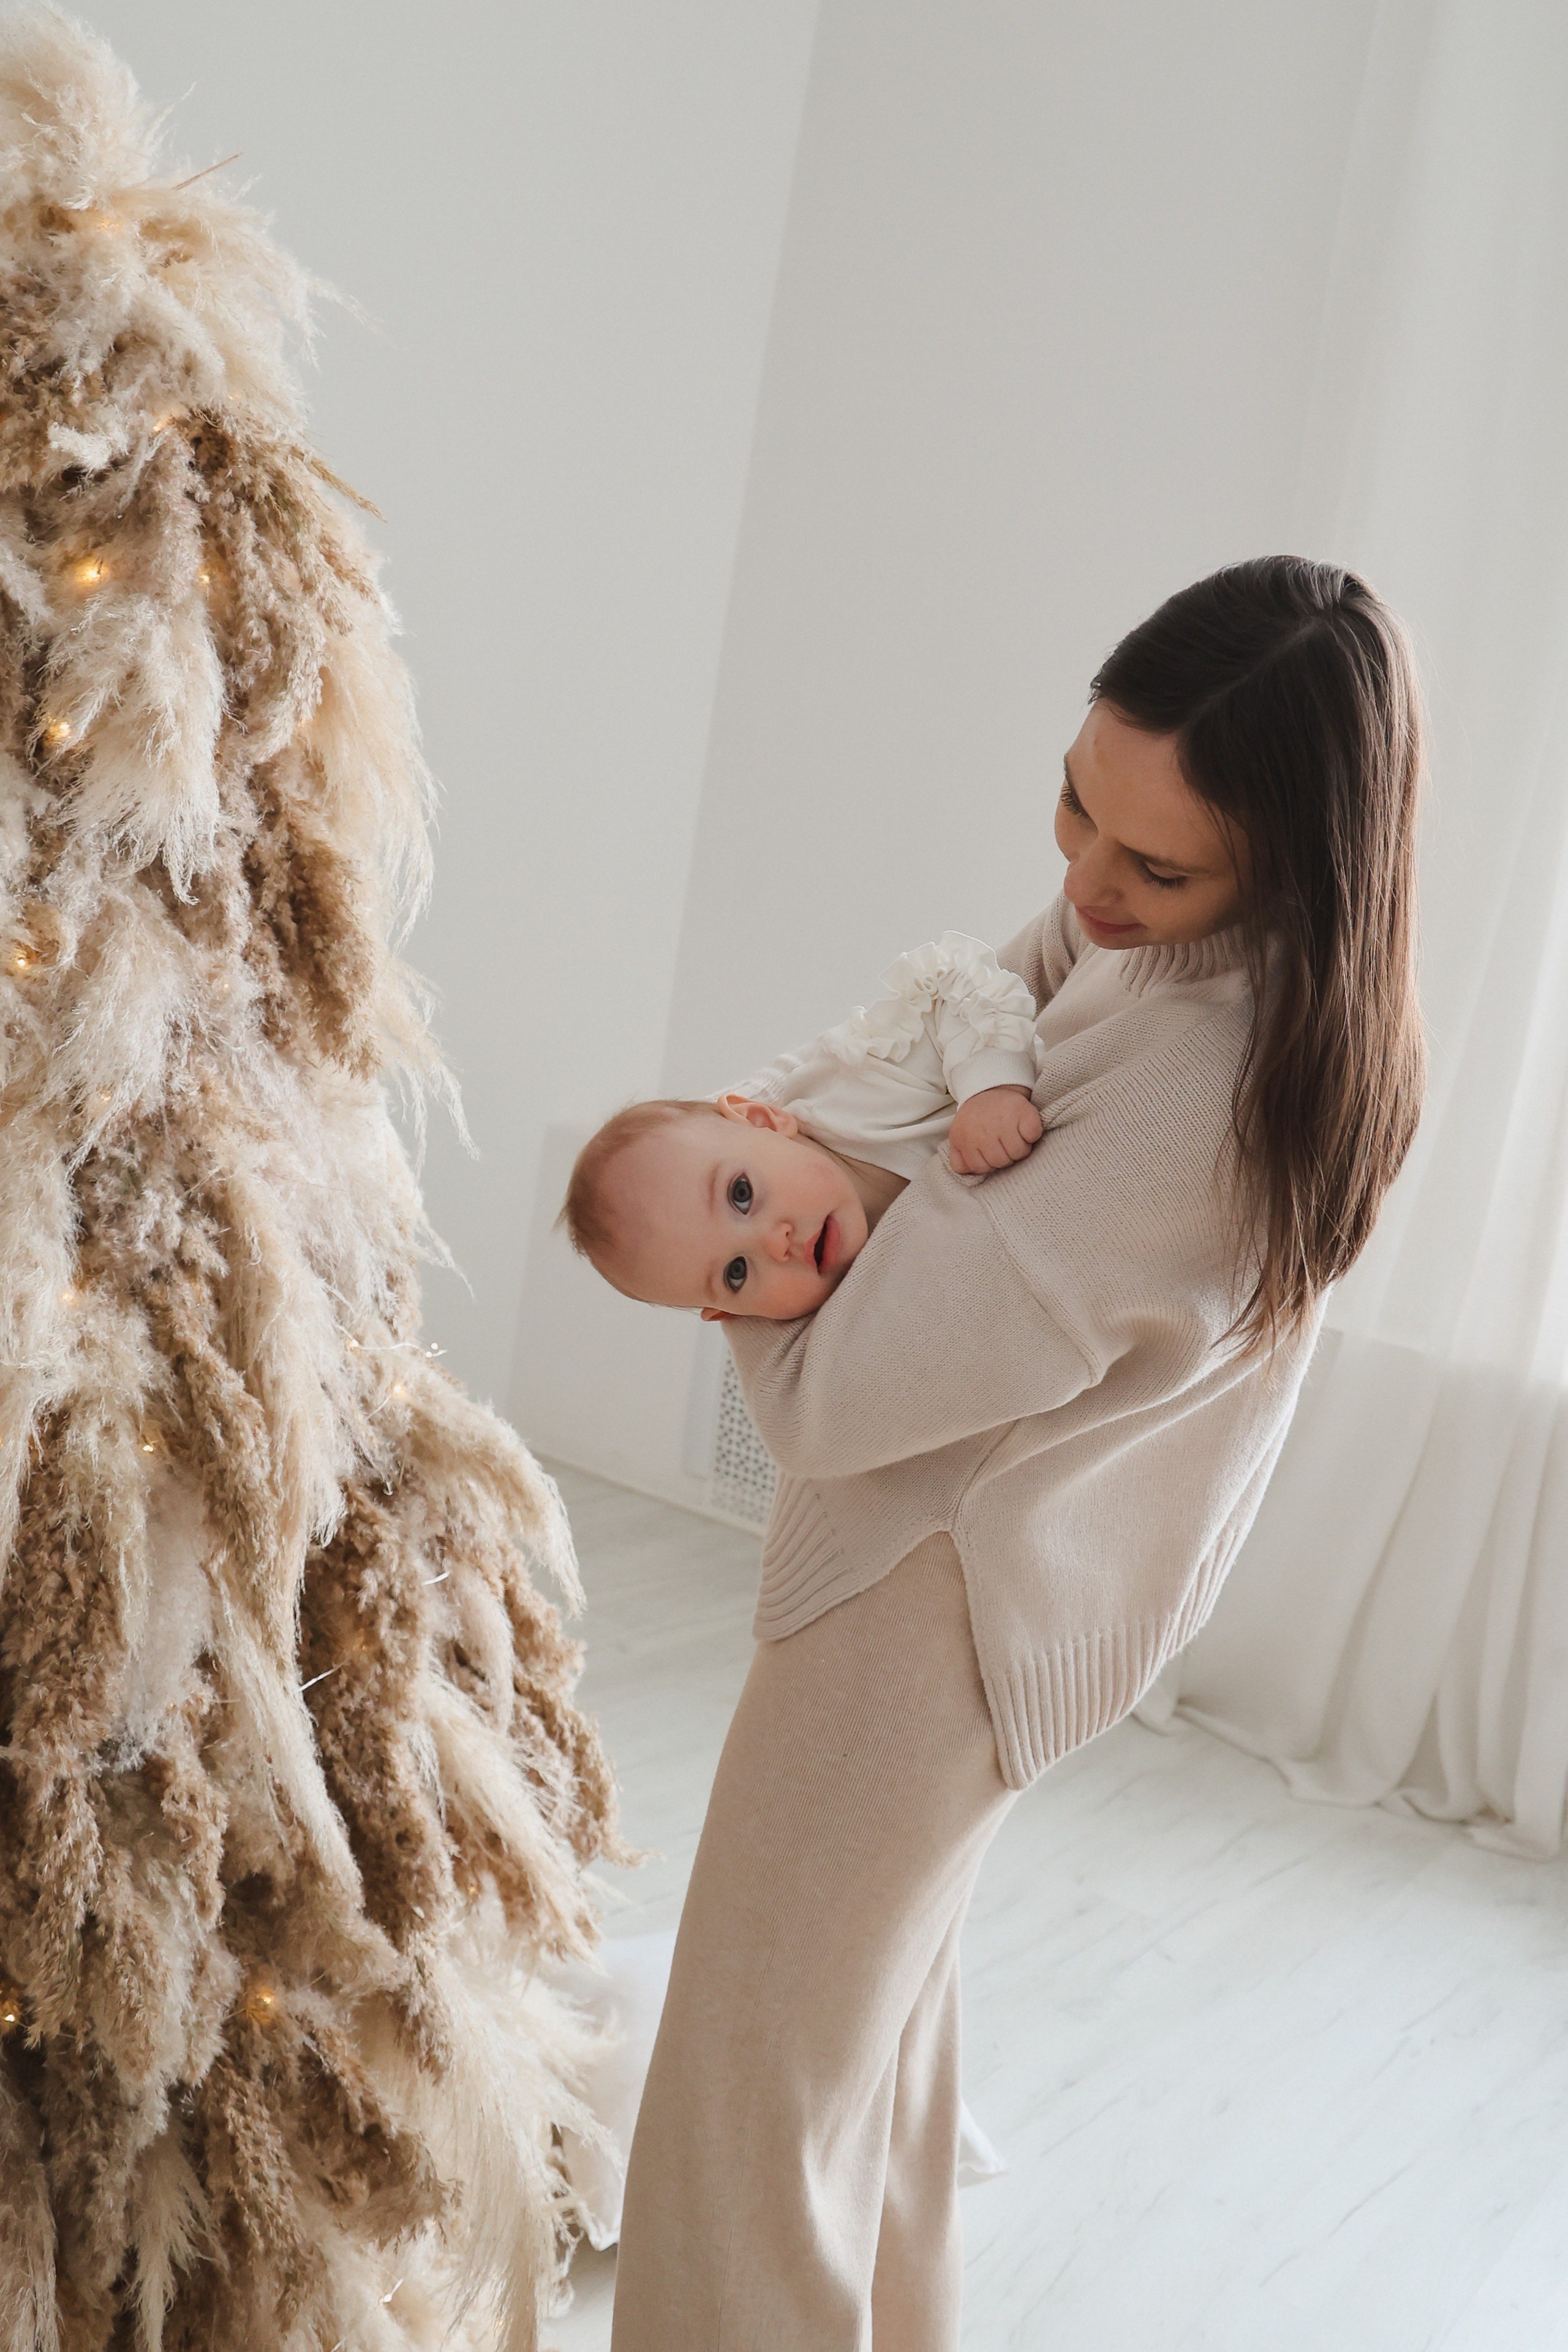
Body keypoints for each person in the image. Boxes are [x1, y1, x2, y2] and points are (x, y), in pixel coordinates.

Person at [608, 557, 1426, 2351]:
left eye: (1152, 862)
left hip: (929, 1599)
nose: (1082, 882)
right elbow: (968, 1013)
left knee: (746, 2101)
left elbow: (837, 1390)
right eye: (1074, 799)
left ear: (1292, 860)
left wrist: (721, 1236)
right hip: (984, 1587)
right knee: (867, 2045)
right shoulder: (1171, 952)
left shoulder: (1209, 1094)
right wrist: (809, 1148)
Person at [559, 930, 1051, 1321]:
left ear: (764, 1120)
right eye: (736, 1273)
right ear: (728, 1314)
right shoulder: (852, 1318)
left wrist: (990, 1089)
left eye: (742, 1194)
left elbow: (955, 980)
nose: (777, 1244)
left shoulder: (865, 1085)